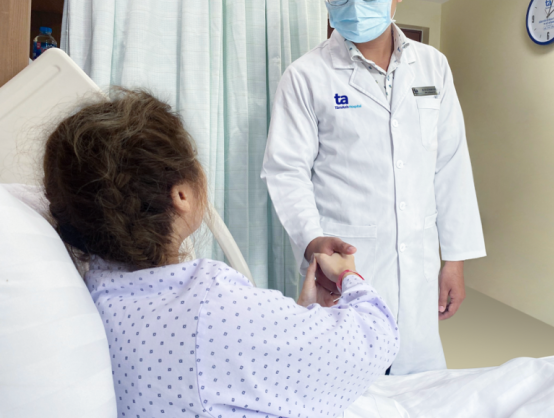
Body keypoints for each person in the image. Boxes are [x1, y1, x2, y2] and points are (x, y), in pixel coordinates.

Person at [42, 89, 399, 418]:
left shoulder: (95, 294)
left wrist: (305, 318)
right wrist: (350, 279)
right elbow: (377, 340)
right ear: (180, 195)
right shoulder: (209, 304)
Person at [261, 0, 485, 375]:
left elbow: (450, 165)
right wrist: (310, 241)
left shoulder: (433, 67)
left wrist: (454, 260)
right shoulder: (306, 76)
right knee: (342, 388)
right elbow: (285, 170)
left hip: (418, 268)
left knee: (419, 387)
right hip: (343, 266)